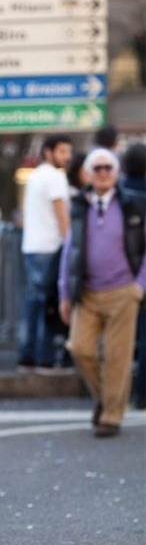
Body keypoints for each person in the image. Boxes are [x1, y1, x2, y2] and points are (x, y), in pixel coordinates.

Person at [59, 148, 146, 436]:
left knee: (117, 356)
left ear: (117, 172)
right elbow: (70, 249)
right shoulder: (79, 205)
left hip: (124, 291)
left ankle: (111, 416)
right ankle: (106, 399)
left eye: (109, 167)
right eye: (97, 168)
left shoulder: (134, 204)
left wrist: (140, 285)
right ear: (87, 174)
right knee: (80, 349)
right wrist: (65, 292)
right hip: (87, 292)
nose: (104, 172)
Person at [18, 134, 72, 371]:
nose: (67, 156)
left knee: (33, 303)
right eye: (62, 151)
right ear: (48, 152)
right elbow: (62, 216)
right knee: (48, 305)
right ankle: (44, 356)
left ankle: (27, 354)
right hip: (50, 247)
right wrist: (70, 245)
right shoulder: (55, 177)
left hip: (31, 246)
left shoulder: (36, 175)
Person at [120, 142, 146, 408]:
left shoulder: (118, 194)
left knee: (120, 337)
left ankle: (117, 393)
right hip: (141, 273)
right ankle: (141, 393)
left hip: (120, 273)